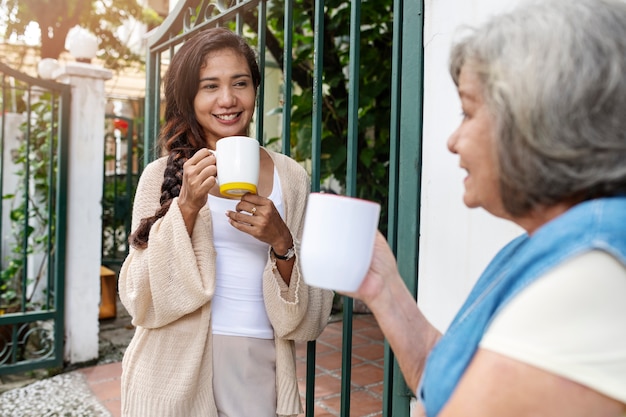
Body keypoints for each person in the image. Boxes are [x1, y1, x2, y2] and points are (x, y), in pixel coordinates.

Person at [345, 0, 626, 416]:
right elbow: (445, 379)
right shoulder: (550, 244)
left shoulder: (591, 270)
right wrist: (383, 288)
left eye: (468, 111)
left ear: (535, 120)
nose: (453, 140)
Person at [118, 27, 334, 417]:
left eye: (240, 83)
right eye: (210, 86)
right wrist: (185, 208)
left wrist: (282, 244)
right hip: (171, 368)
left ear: (255, 89)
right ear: (189, 97)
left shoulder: (292, 178)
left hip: (257, 364)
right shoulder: (160, 175)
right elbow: (138, 298)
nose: (228, 99)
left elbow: (312, 316)